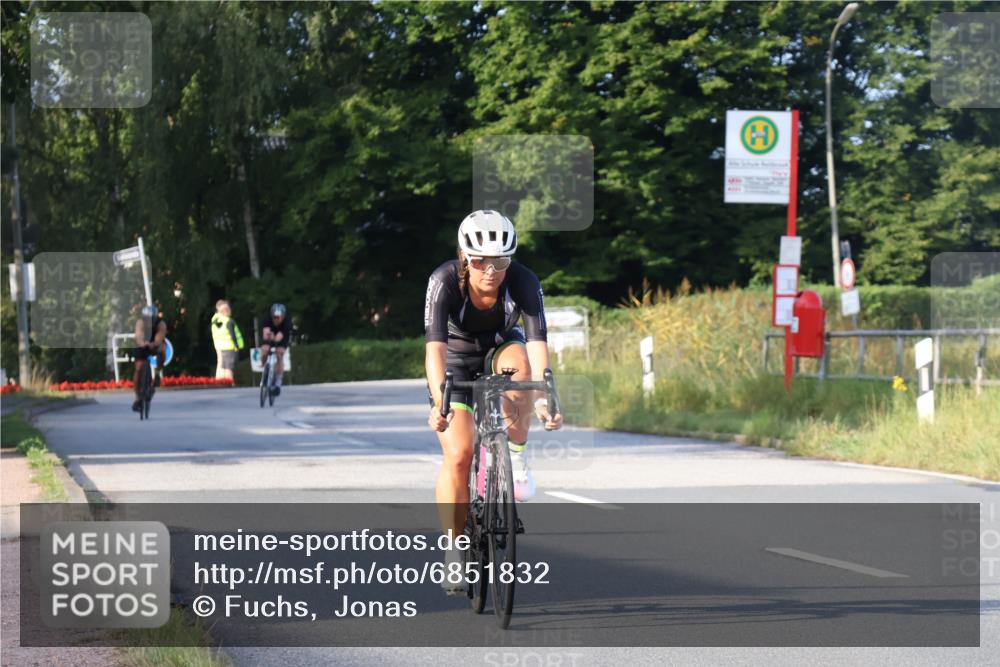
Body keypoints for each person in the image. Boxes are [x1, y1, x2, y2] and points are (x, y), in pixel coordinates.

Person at [424, 210, 562, 592]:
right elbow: (434, 349)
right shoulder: (445, 280)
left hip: (500, 350)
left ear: (510, 259)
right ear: (465, 256)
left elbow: (537, 345)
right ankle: (453, 548)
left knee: (520, 369)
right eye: (481, 260)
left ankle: (514, 456)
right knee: (459, 453)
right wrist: (440, 402)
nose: (490, 270)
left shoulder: (523, 281)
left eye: (499, 261)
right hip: (455, 360)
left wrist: (546, 398)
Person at [132, 304, 167, 412]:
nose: (150, 322)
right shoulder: (140, 322)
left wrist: (154, 343)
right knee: (138, 369)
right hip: (143, 343)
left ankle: (157, 374)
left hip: (154, 343)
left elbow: (159, 337)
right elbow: (139, 335)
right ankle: (138, 397)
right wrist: (143, 343)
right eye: (147, 319)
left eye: (152, 319)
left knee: (162, 350)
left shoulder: (161, 324)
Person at [260, 303, 291, 395]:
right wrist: (269, 338)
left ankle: (278, 382)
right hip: (271, 334)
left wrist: (273, 337)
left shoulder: (287, 322)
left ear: (283, 316)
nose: (277, 319)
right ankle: (264, 365)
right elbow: (266, 335)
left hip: (282, 336)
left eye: (279, 317)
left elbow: (278, 338)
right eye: (274, 317)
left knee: (279, 353)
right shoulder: (267, 319)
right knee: (265, 349)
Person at [211, 299, 245, 380]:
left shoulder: (215, 320)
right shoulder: (228, 321)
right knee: (229, 367)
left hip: (219, 347)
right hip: (229, 347)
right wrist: (236, 346)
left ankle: (221, 384)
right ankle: (229, 383)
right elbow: (232, 335)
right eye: (228, 309)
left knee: (222, 366)